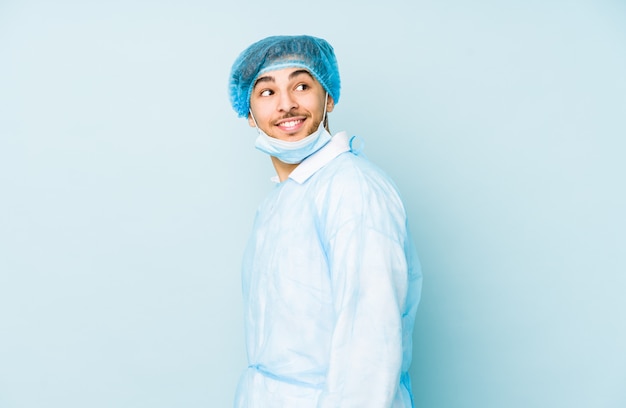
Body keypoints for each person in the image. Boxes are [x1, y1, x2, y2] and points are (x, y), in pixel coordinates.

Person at [228, 34, 422, 407]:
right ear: (248, 114)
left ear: (329, 97)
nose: (287, 105)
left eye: (302, 86)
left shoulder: (353, 188)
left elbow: (370, 342)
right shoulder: (283, 200)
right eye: (267, 92)